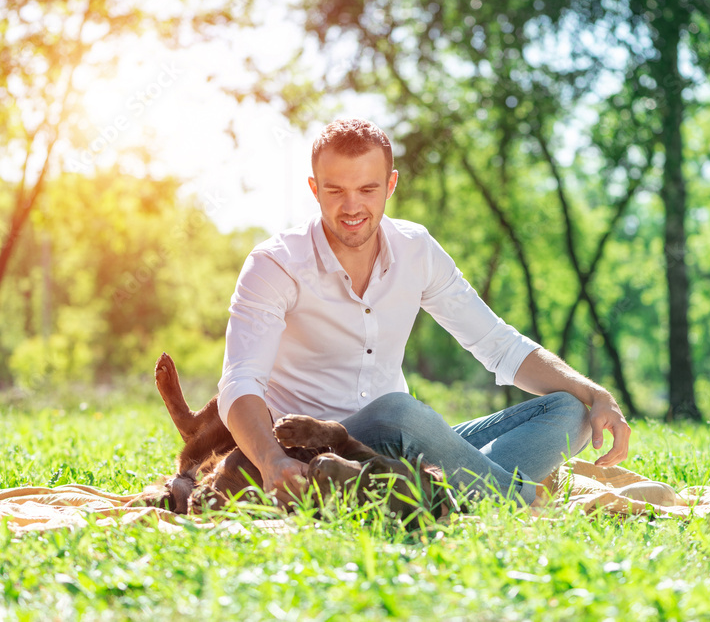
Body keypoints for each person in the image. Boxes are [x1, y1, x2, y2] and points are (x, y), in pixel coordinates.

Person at [218, 118, 631, 510]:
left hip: (405, 446)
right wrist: (272, 461)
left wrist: (598, 395)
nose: (351, 206)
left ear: (391, 184)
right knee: (397, 411)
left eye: (367, 188)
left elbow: (497, 344)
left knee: (571, 410)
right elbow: (241, 381)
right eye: (335, 191)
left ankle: (435, 491)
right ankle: (513, 500)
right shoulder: (275, 264)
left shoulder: (416, 249)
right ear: (313, 188)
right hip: (318, 453)